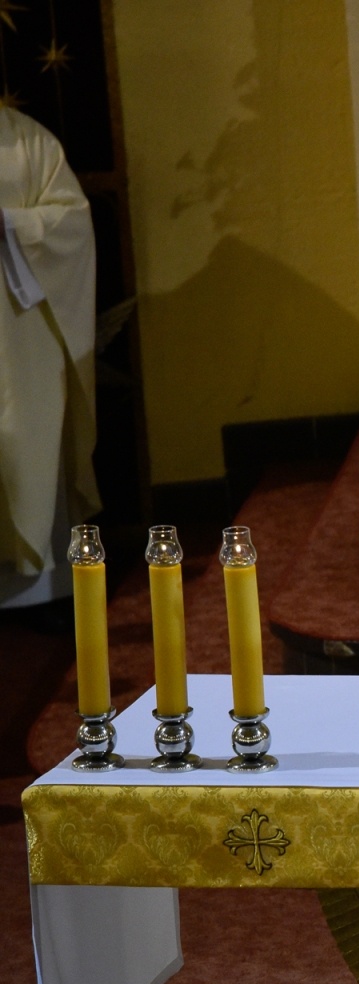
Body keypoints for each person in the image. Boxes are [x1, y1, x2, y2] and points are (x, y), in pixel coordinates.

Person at [0, 107, 98, 609]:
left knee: (29, 437)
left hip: (21, 330)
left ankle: (38, 592)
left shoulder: (28, 142)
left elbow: (72, 222)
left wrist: (9, 224)